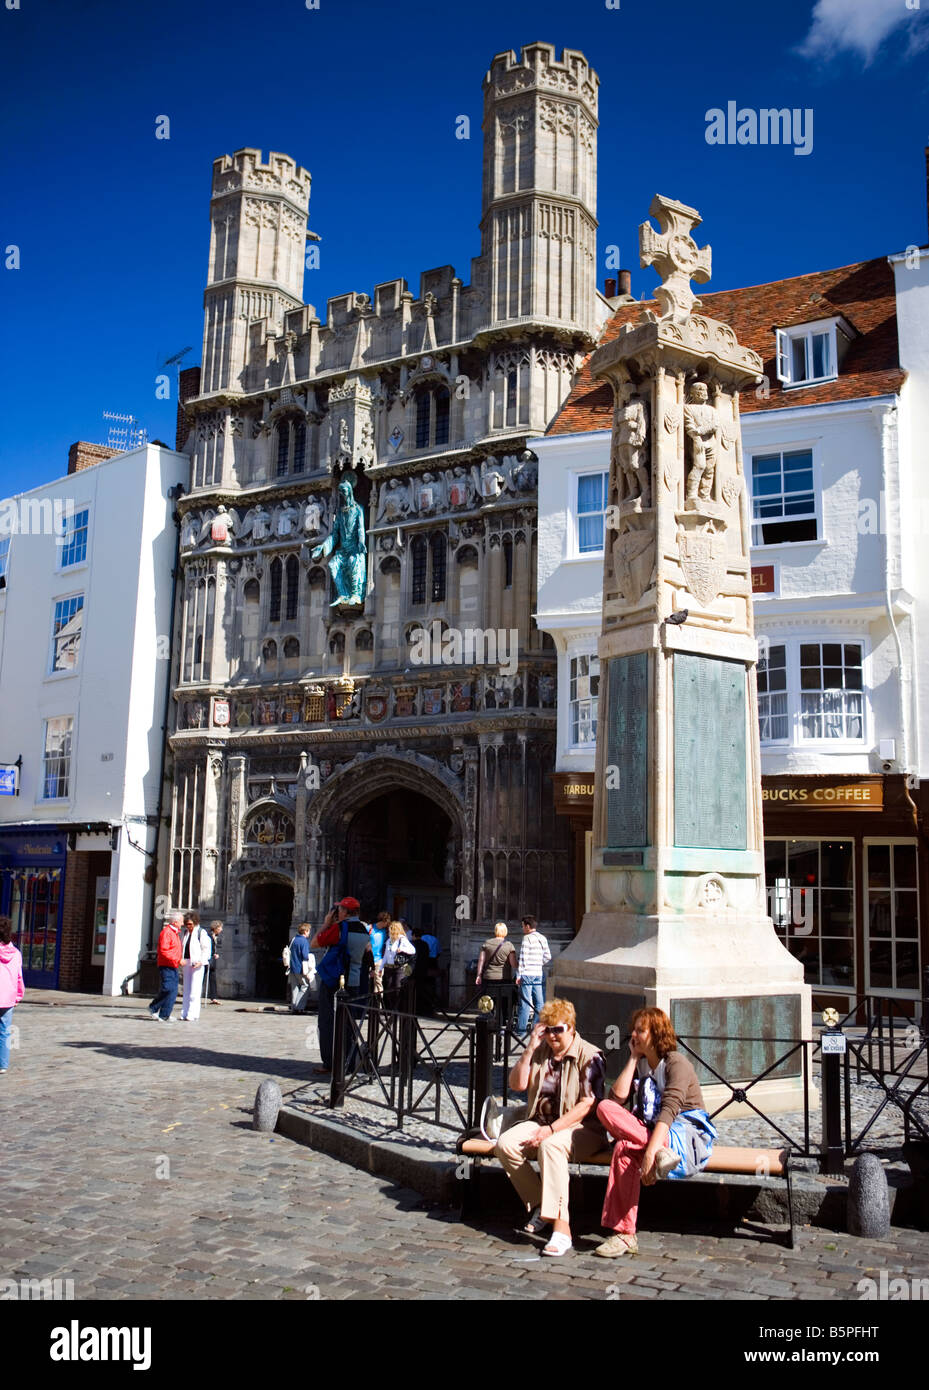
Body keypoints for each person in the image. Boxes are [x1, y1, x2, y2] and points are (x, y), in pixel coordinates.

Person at [593, 1007, 717, 1258]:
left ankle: (624, 1232)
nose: (633, 1035)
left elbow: (670, 1111)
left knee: (624, 1148)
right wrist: (631, 1059)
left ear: (657, 1033)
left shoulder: (676, 1063)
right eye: (633, 1030)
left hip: (685, 1138)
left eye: (640, 1030)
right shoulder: (643, 1066)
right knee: (608, 1114)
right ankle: (626, 1235)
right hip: (656, 1137)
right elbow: (615, 1100)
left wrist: (650, 1154)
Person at [495, 998, 605, 1258]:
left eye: (559, 1029)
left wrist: (553, 1129)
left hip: (582, 1129)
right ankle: (542, 1204)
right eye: (548, 1029)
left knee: (550, 1145)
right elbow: (517, 1084)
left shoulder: (590, 1055)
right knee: (506, 1144)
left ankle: (562, 1229)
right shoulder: (541, 1051)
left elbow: (588, 1104)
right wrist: (530, 1045)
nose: (553, 1036)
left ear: (571, 1028)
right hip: (539, 1121)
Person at [311, 900, 353, 1075]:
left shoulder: (338, 928)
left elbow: (313, 943)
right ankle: (349, 1062)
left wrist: (326, 923)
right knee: (348, 1023)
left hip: (333, 979)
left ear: (343, 912)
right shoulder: (363, 928)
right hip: (353, 980)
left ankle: (329, 1062)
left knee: (327, 1021)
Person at [476, 921, 517, 1043]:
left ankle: (488, 1025)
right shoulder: (509, 945)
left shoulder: (487, 944)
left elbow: (481, 961)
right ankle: (501, 1026)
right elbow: (513, 964)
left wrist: (478, 975)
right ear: (505, 932)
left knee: (488, 1002)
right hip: (504, 978)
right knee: (503, 1003)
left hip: (489, 978)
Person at [515, 915, 551, 1035]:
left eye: (523, 926)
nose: (522, 929)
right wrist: (538, 964)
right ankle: (537, 1029)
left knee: (525, 1002)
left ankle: (521, 1030)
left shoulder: (527, 939)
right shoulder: (543, 938)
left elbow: (523, 958)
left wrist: (519, 975)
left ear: (528, 926)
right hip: (538, 973)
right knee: (539, 1002)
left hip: (527, 973)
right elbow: (548, 956)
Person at [148, 912, 184, 1023]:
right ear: (175, 922)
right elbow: (164, 951)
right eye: (181, 921)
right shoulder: (167, 932)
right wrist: (178, 960)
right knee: (167, 988)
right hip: (166, 965)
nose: (182, 923)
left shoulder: (175, 933)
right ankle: (153, 1007)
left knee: (173, 991)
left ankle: (165, 1014)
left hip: (173, 965)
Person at [0, 915, 24, 1074]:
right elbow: (19, 977)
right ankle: (3, 1064)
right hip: (8, 997)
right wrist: (18, 996)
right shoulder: (16, 953)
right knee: (5, 1031)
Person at [181, 912, 211, 1022]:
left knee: (195, 989)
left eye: (190, 924)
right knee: (186, 989)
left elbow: (206, 949)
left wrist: (202, 961)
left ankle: (192, 1013)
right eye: (187, 924)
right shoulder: (185, 933)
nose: (188, 926)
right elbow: (183, 947)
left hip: (197, 963)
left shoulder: (200, 932)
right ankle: (184, 1012)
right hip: (187, 962)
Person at [379, 919, 416, 1008]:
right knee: (389, 989)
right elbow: (385, 956)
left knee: (397, 989)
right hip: (389, 968)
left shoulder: (402, 939)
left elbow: (412, 950)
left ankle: (398, 1009)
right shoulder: (388, 941)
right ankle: (393, 1009)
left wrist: (402, 949)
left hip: (398, 968)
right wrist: (381, 968)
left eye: (391, 929)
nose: (389, 931)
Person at [288, 923, 315, 1014]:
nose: (309, 933)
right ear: (305, 931)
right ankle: (299, 1007)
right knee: (305, 986)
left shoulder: (293, 940)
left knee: (295, 988)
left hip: (292, 967)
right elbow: (305, 956)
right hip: (301, 968)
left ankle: (294, 1008)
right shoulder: (304, 941)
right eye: (308, 931)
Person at [205, 920, 223, 1004]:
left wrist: (215, 954)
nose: (221, 929)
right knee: (202, 977)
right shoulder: (208, 935)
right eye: (220, 927)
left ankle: (214, 997)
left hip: (212, 959)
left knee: (212, 978)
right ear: (215, 928)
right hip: (206, 959)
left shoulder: (215, 935)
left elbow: (214, 947)